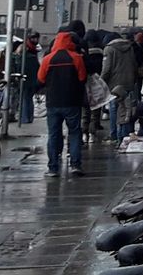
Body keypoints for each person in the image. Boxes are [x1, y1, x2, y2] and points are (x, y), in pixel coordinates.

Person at [37, 30, 87, 177]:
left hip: (53, 102)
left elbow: (40, 79)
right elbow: (82, 78)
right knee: (75, 133)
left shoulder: (48, 59)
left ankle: (53, 167)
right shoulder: (76, 58)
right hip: (72, 101)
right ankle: (75, 165)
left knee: (53, 134)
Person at [102, 30, 140, 142]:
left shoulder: (109, 49)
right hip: (129, 83)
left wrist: (101, 82)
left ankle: (114, 134)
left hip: (114, 86)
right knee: (128, 108)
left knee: (114, 110)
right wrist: (134, 80)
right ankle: (127, 133)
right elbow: (134, 65)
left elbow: (107, 69)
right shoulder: (130, 48)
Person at [16, 33, 41, 124]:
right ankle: (29, 117)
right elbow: (38, 68)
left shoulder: (22, 58)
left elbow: (19, 68)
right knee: (29, 98)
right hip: (33, 80)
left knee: (25, 99)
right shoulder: (33, 56)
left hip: (25, 80)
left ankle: (25, 118)